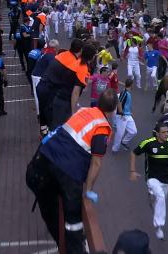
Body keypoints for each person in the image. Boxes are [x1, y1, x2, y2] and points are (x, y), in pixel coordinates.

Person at [26, 89, 118, 253]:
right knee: (73, 223)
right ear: (112, 110)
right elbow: (96, 163)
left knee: (48, 205)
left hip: (42, 160)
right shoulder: (102, 127)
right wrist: (88, 189)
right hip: (68, 172)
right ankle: (73, 248)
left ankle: (61, 238)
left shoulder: (83, 112)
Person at [129, 122, 168, 240]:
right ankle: (159, 226)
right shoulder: (148, 143)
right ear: (157, 134)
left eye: (167, 132)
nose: (166, 134)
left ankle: (152, 196)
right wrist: (132, 171)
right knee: (161, 197)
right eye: (163, 132)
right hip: (152, 177)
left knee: (160, 199)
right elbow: (134, 153)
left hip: (166, 179)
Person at [48, 40, 96, 130]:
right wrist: (74, 112)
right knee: (59, 130)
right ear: (91, 57)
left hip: (59, 97)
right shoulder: (83, 68)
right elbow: (75, 92)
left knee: (56, 128)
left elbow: (75, 80)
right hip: (65, 102)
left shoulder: (78, 62)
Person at [31, 39, 59, 124]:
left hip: (37, 73)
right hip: (38, 76)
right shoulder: (51, 55)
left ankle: (40, 113)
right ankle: (39, 114)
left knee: (38, 94)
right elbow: (52, 68)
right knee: (38, 96)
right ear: (55, 47)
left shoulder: (46, 51)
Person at [112, 79, 137, 152]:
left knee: (133, 131)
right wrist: (121, 113)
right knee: (120, 133)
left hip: (128, 115)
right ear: (131, 84)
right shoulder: (124, 92)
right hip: (121, 116)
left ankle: (124, 142)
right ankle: (115, 148)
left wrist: (129, 112)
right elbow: (119, 102)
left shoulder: (128, 93)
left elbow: (126, 104)